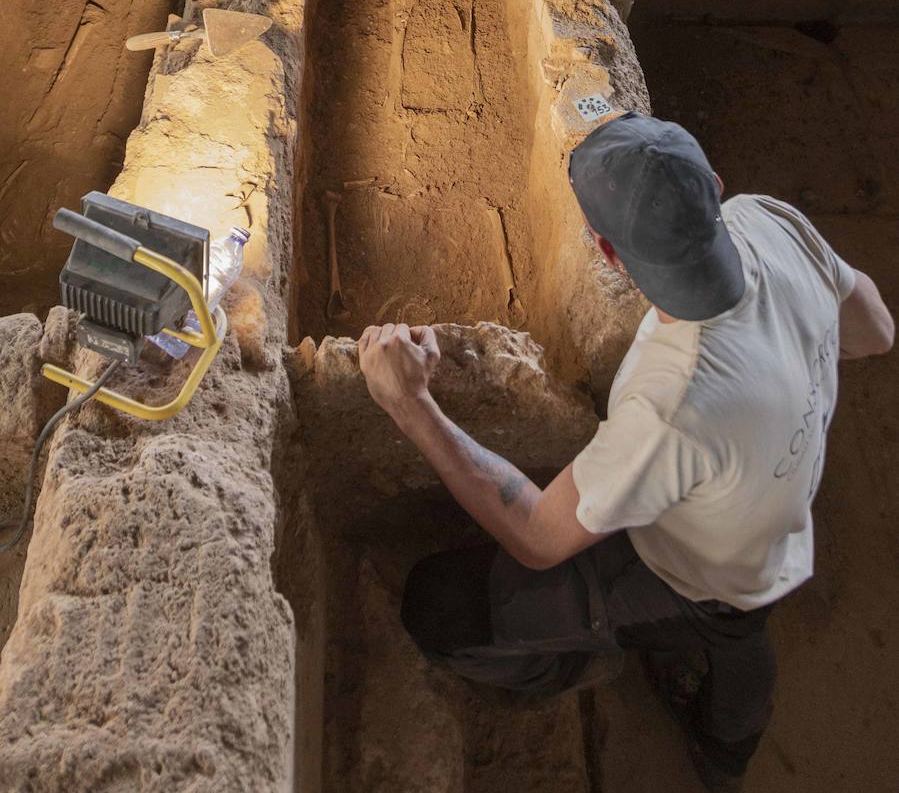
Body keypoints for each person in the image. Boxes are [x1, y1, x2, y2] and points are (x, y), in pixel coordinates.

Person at [357, 112, 893, 790]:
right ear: (716, 187)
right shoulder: (766, 218)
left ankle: (595, 670)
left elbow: (537, 538)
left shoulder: (672, 402)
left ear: (607, 254)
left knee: (439, 607)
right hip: (774, 517)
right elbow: (875, 330)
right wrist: (786, 353)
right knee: (741, 634)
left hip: (706, 575)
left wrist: (409, 403)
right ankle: (724, 736)